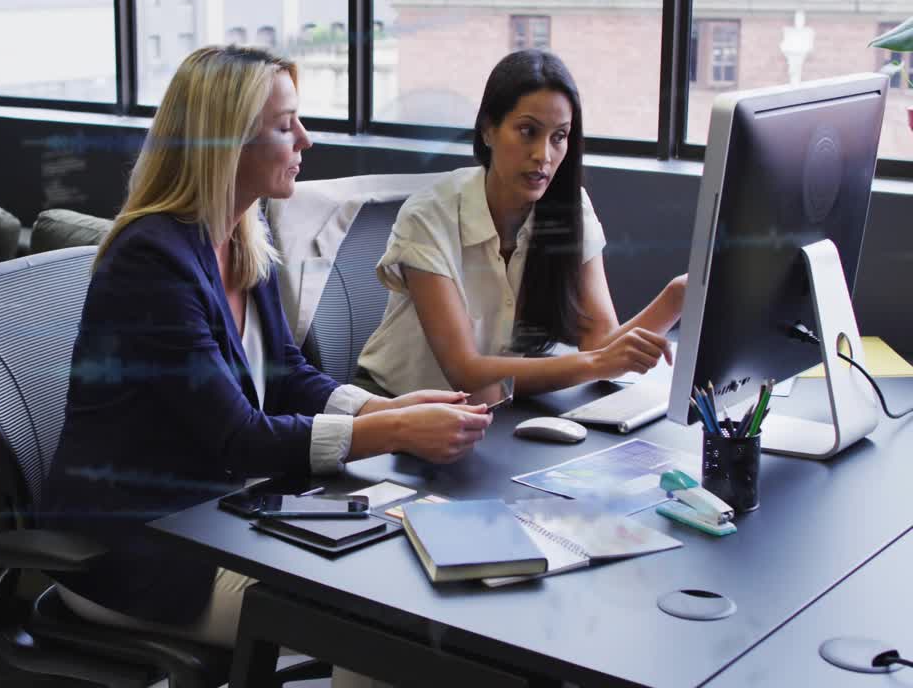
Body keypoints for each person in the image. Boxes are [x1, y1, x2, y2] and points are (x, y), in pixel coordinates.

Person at [39, 45, 493, 666]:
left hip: (222, 515)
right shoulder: (151, 262)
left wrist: (383, 409)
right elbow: (238, 438)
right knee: (380, 622)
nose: (306, 139)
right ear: (225, 145)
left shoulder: (243, 239)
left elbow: (286, 374)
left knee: (400, 585)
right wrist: (393, 431)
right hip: (138, 550)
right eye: (285, 126)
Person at [356, 49, 687, 400]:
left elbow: (602, 348)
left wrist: (678, 297)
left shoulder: (570, 210)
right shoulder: (427, 216)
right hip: (394, 406)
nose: (543, 155)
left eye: (559, 136)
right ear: (488, 130)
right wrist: (596, 363)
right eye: (528, 131)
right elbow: (465, 371)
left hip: (488, 410)